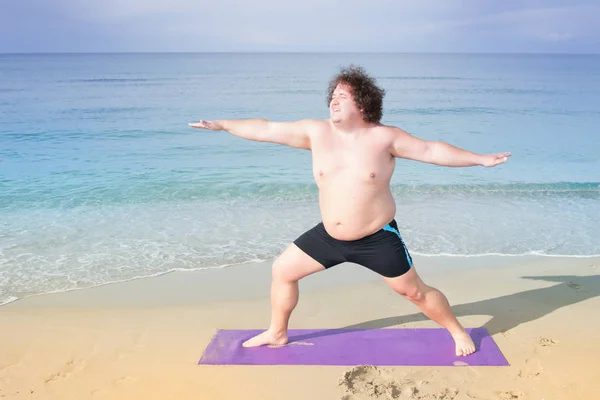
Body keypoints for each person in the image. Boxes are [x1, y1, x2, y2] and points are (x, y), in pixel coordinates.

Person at [189, 65, 511, 356]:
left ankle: (456, 331)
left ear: (363, 104)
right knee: (283, 271)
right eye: (333, 95)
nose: (334, 99)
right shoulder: (316, 133)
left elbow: (432, 150)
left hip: (377, 237)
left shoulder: (384, 138)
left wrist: (480, 159)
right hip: (330, 236)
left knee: (415, 293)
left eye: (343, 95)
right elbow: (266, 128)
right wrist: (223, 124)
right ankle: (277, 332)